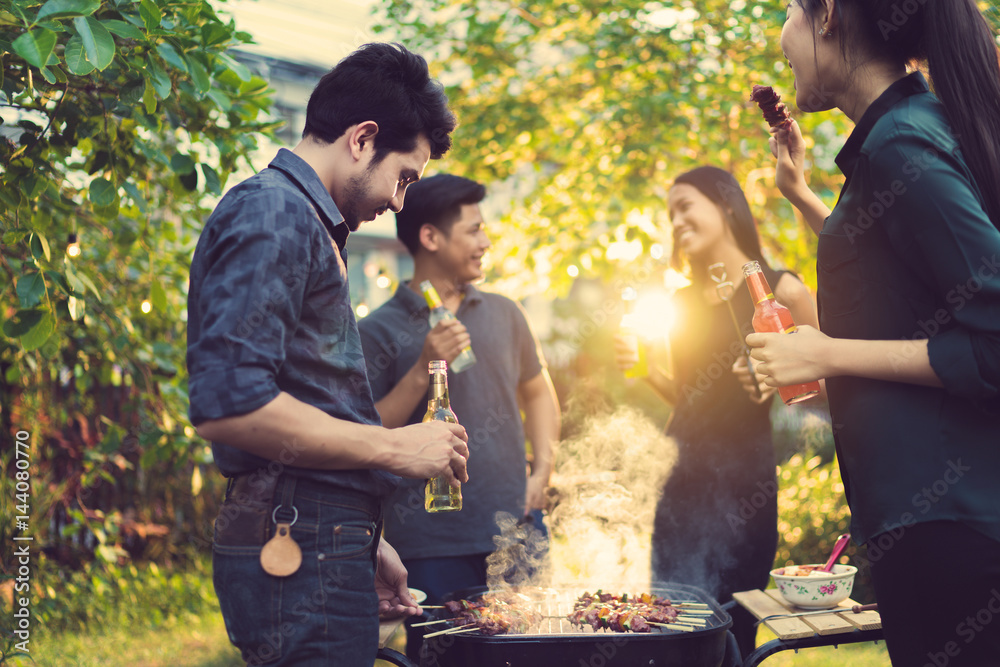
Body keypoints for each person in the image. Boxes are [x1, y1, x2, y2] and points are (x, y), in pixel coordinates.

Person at [185, 43, 470, 666]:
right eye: (405, 177)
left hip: (318, 534)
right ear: (363, 139)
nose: (400, 201)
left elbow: (306, 395)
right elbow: (227, 404)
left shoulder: (303, 221)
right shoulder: (275, 213)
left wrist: (363, 540)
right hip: (298, 537)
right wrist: (397, 448)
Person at [750, 1, 1000, 664]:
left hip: (953, 528)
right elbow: (902, 285)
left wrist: (825, 351)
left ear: (827, 14)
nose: (782, 38)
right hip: (936, 525)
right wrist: (801, 195)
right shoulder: (899, 138)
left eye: (787, 12)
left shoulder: (901, 143)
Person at [614, 166, 819, 658]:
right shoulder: (681, 303)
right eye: (670, 214)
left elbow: (829, 379)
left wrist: (777, 378)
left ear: (726, 204)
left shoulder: (782, 289)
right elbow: (692, 402)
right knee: (669, 629)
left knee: (731, 631)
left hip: (743, 490)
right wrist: (647, 374)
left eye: (686, 205)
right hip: (678, 484)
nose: (676, 221)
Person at [358, 173, 561, 660]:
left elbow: (538, 394)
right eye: (472, 230)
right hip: (430, 543)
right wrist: (422, 364)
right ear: (430, 237)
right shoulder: (375, 331)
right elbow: (367, 433)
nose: (485, 242)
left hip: (517, 528)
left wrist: (543, 469)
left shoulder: (504, 313)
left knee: (538, 652)